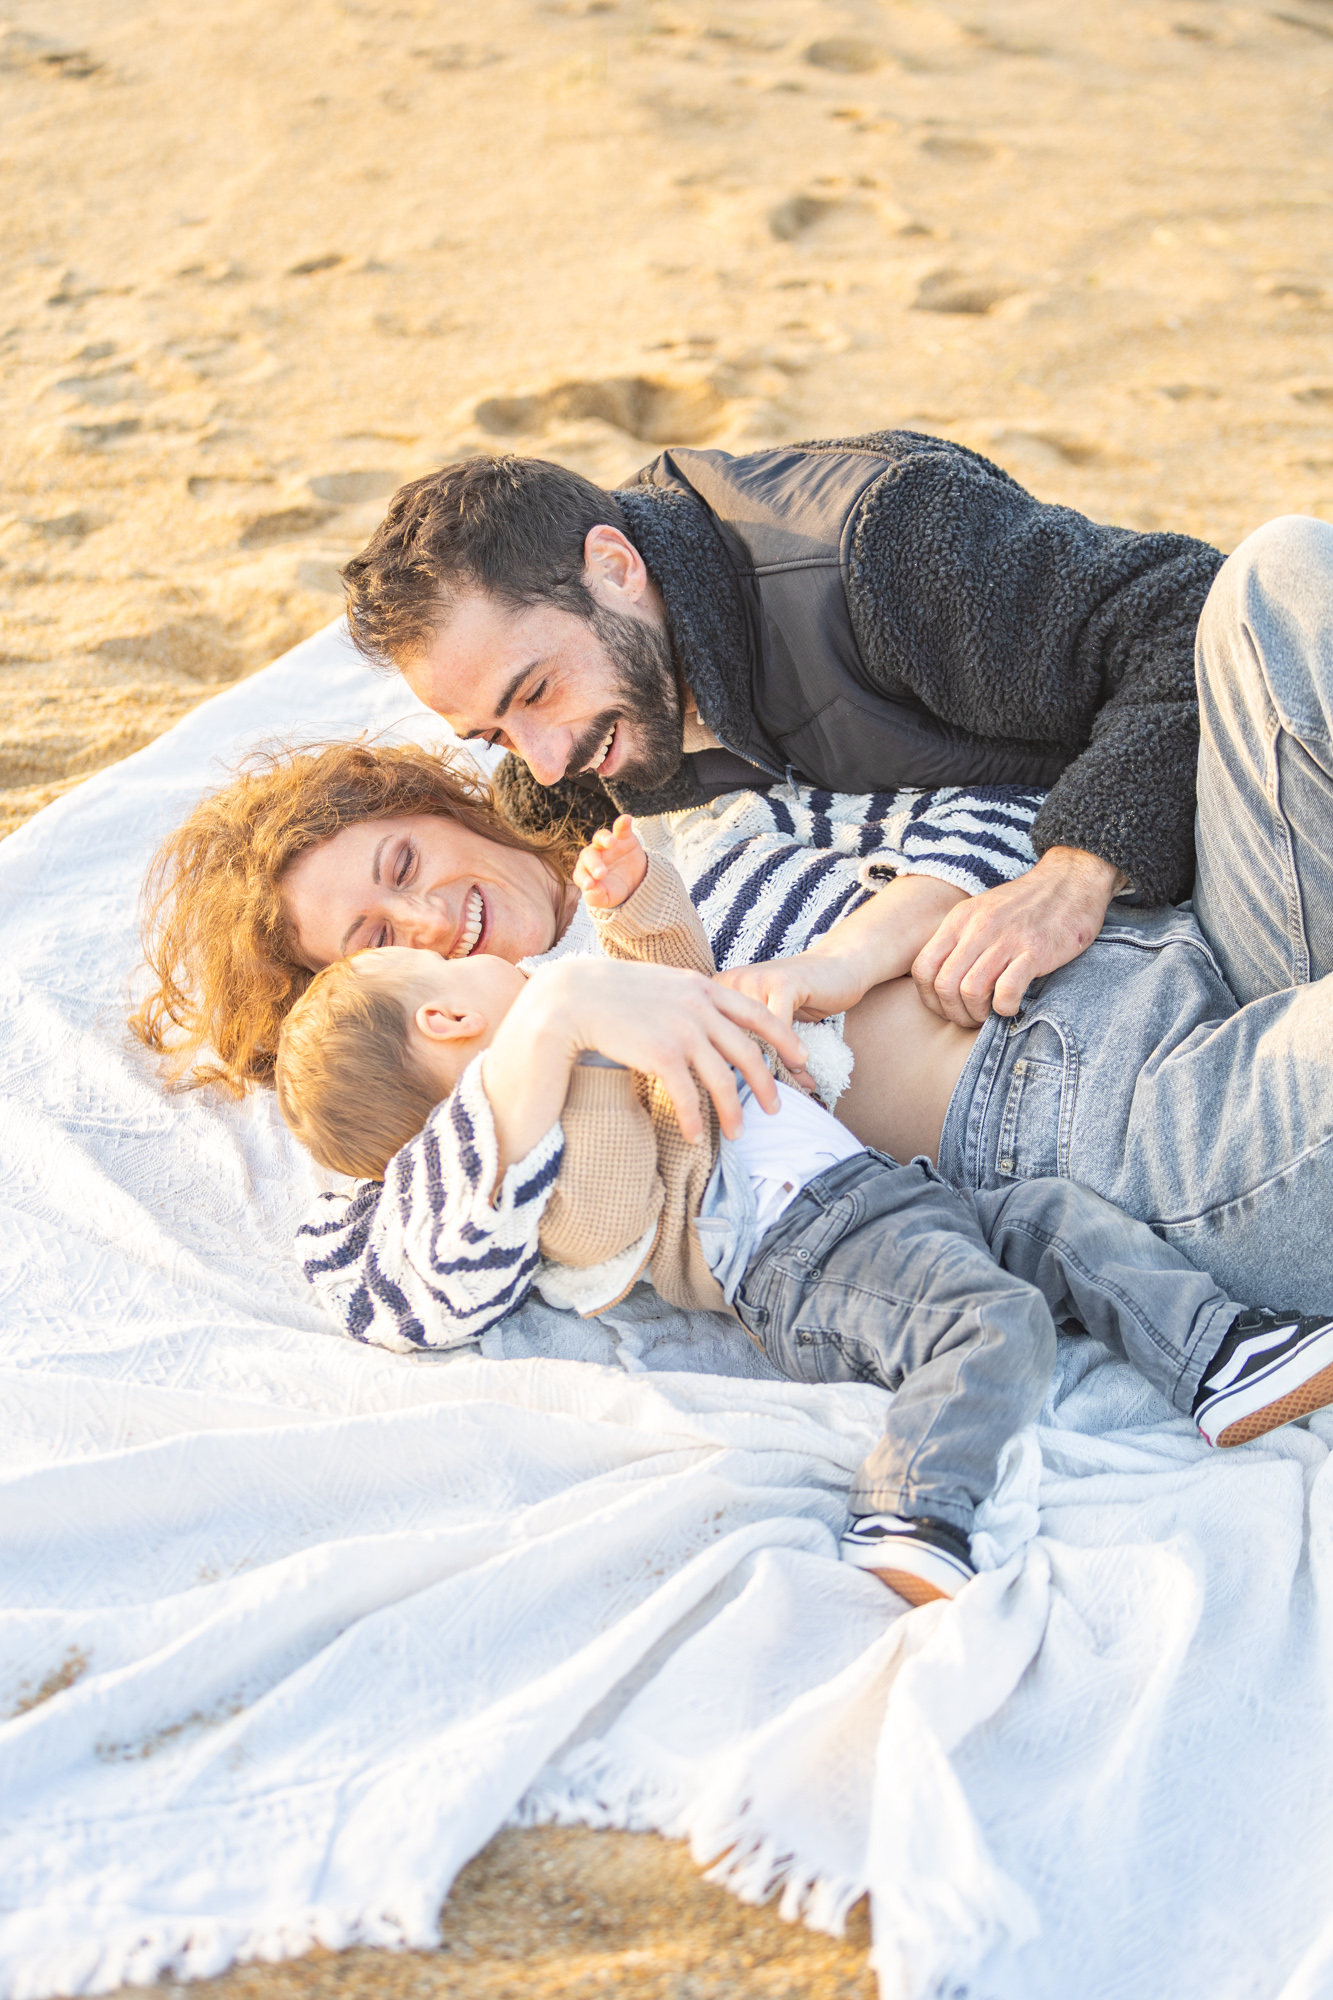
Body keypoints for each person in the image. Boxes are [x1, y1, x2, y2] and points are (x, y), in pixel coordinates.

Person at [271, 814, 1333, 1608]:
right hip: (805, 1251)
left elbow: (685, 983)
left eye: (401, 871)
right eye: (400, 944)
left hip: (888, 1195)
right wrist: (559, 1028)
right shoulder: (544, 1139)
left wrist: (637, 906)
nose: (456, 941)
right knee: (990, 1320)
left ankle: (1219, 1358)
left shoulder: (594, 998)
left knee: (1055, 1221)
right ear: (453, 1008)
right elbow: (599, 1225)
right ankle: (917, 1506)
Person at [338, 436, 1225, 1022]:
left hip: (1249, 845)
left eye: (534, 691)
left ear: (613, 566)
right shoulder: (578, 731)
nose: (546, 756)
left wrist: (1076, 872)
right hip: (1151, 976)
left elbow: (1191, 613)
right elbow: (510, 820)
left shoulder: (880, 550)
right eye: (493, 734)